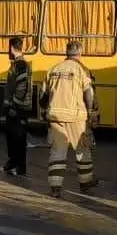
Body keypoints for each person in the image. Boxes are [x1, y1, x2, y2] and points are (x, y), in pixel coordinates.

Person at [40, 40, 98, 197]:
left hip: (55, 116)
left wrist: (47, 109)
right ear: (80, 53)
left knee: (57, 152)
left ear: (66, 52)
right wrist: (91, 111)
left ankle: (55, 187)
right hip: (76, 116)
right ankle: (85, 182)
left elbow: (42, 96)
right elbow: (89, 93)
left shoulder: (53, 69)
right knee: (82, 149)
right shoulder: (82, 70)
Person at [1, 37, 33, 177]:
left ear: (12, 48)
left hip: (18, 108)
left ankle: (19, 167)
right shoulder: (19, 64)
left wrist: (14, 106)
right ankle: (14, 163)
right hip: (17, 106)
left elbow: (21, 87)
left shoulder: (20, 65)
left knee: (18, 138)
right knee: (13, 136)